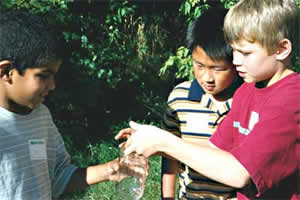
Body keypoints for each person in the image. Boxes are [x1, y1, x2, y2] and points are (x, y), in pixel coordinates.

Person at [115, 0, 300, 199]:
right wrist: (153, 140)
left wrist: (163, 142)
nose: (236, 61)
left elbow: (239, 173)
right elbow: (214, 148)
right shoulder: (247, 91)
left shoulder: (290, 100)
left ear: (281, 49)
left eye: (245, 53)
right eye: (234, 50)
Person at [0, 11, 122, 200]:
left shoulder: (41, 117)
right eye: (43, 76)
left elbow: (56, 176)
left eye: (54, 76)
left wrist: (111, 170)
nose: (53, 86)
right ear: (7, 72)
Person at [161, 9, 242, 200]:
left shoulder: (248, 101)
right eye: (199, 65)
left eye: (218, 69)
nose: (207, 78)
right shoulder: (179, 99)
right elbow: (169, 155)